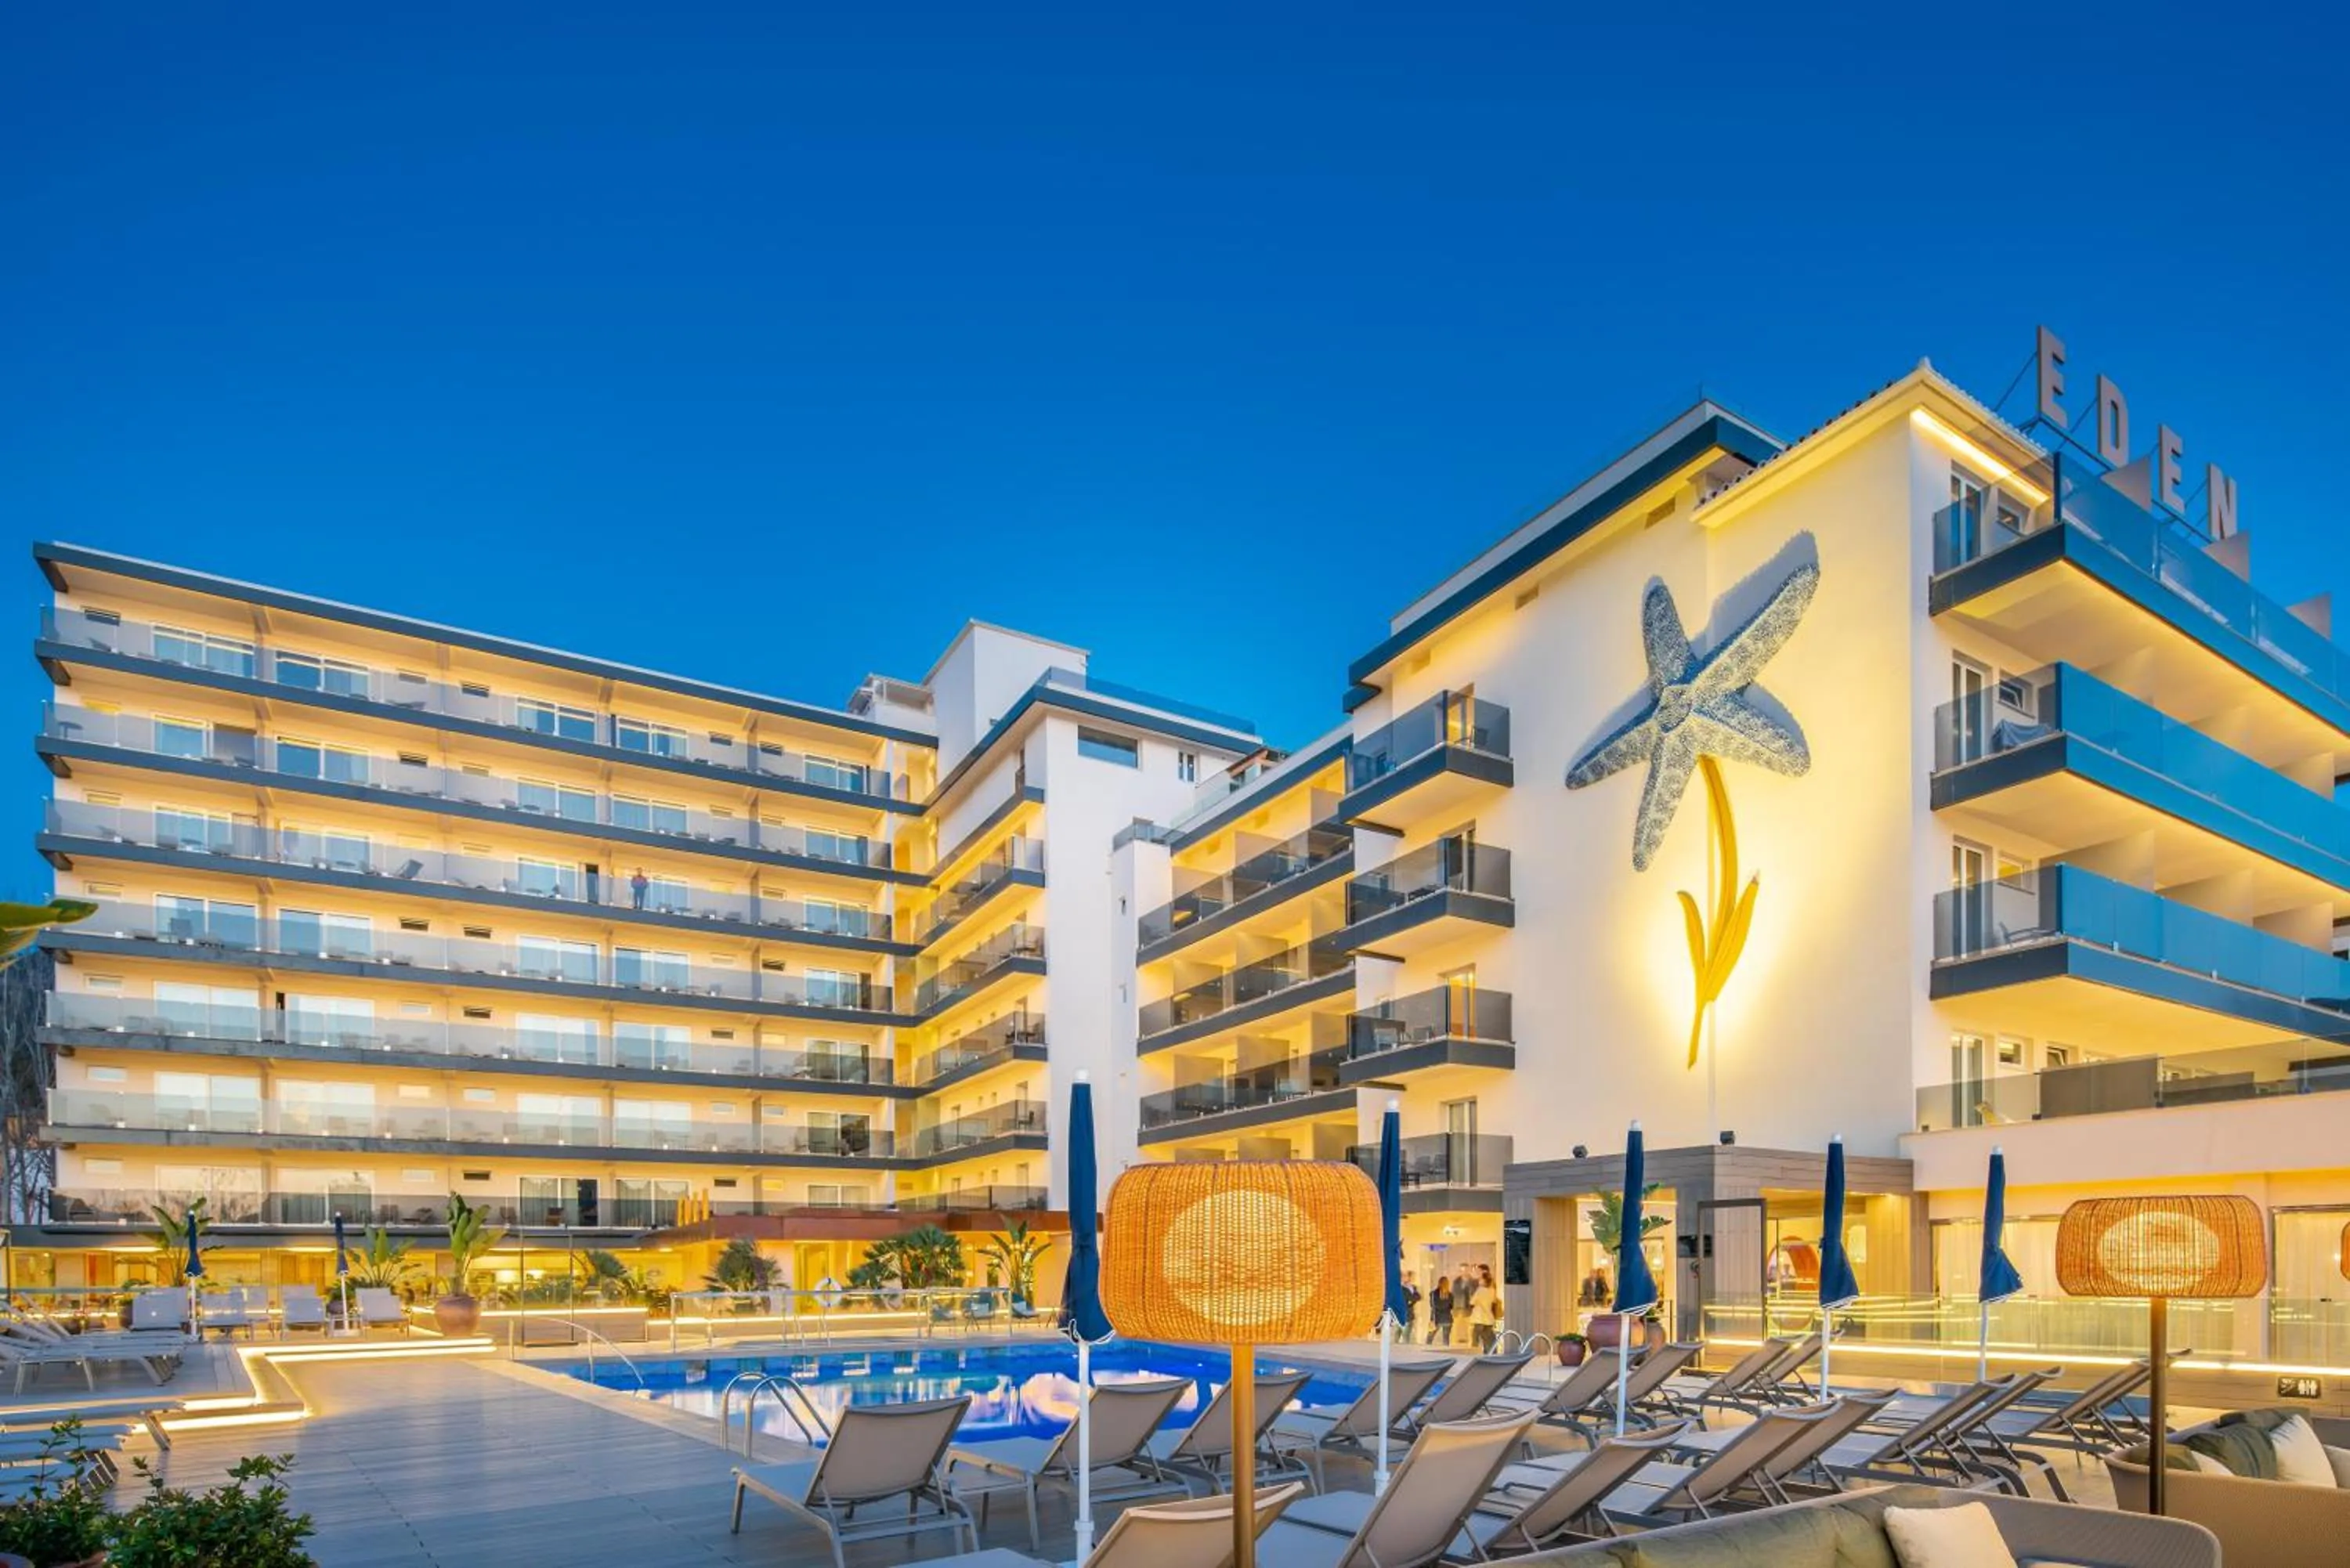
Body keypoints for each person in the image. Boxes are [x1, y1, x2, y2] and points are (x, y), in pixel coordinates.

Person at [1470, 1263, 1502, 1353]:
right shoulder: (1492, 1289)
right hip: (1489, 1317)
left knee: (1476, 1339)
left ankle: (1474, 1355)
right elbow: (1494, 1301)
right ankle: (1492, 1353)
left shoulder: (1480, 1289)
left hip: (1480, 1318)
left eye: (1480, 1271)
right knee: (1489, 1338)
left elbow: (1472, 1302)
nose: (1478, 1274)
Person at [1426, 1272, 1453, 1346]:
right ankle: (1445, 1354)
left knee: (1429, 1338)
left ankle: (1427, 1353)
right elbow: (1452, 1306)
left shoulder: (1433, 1294)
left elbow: (1432, 1305)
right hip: (1447, 1318)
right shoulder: (1450, 1295)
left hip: (1436, 1318)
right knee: (1446, 1339)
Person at [1449, 1268, 1475, 1348]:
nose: (1464, 1272)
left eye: (1466, 1270)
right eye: (1462, 1270)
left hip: (1468, 1306)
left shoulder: (1472, 1281)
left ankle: (1470, 1342)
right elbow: (1453, 1293)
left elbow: (1474, 1292)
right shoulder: (1456, 1282)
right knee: (1455, 1325)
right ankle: (1454, 1341)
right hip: (1457, 1306)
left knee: (1469, 1325)